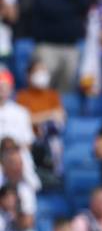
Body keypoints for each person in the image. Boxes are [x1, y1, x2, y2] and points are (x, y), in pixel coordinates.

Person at [31, 0, 90, 92]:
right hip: (47, 47)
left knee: (67, 91)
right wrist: (70, 6)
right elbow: (49, 9)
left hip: (71, 47)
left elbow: (86, 6)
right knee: (43, 87)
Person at [16, 59, 65, 187]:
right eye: (38, 71)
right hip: (30, 140)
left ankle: (55, 176)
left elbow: (61, 116)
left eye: (44, 70)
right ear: (29, 75)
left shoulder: (52, 95)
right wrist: (48, 115)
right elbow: (24, 119)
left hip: (49, 139)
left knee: (55, 143)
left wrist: (40, 119)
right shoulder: (22, 96)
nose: (42, 74)